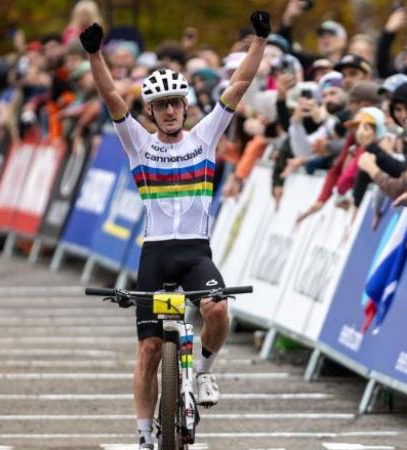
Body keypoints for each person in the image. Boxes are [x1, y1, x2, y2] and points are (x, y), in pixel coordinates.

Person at [79, 11, 270, 450]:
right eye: (160, 105)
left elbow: (237, 87)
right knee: (148, 351)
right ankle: (145, 437)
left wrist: (258, 41)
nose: (168, 111)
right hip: (155, 254)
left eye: (175, 104)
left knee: (218, 310)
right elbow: (110, 96)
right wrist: (94, 55)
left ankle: (202, 373)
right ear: (151, 111)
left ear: (185, 106)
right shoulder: (138, 143)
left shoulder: (204, 137)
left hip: (194, 254)